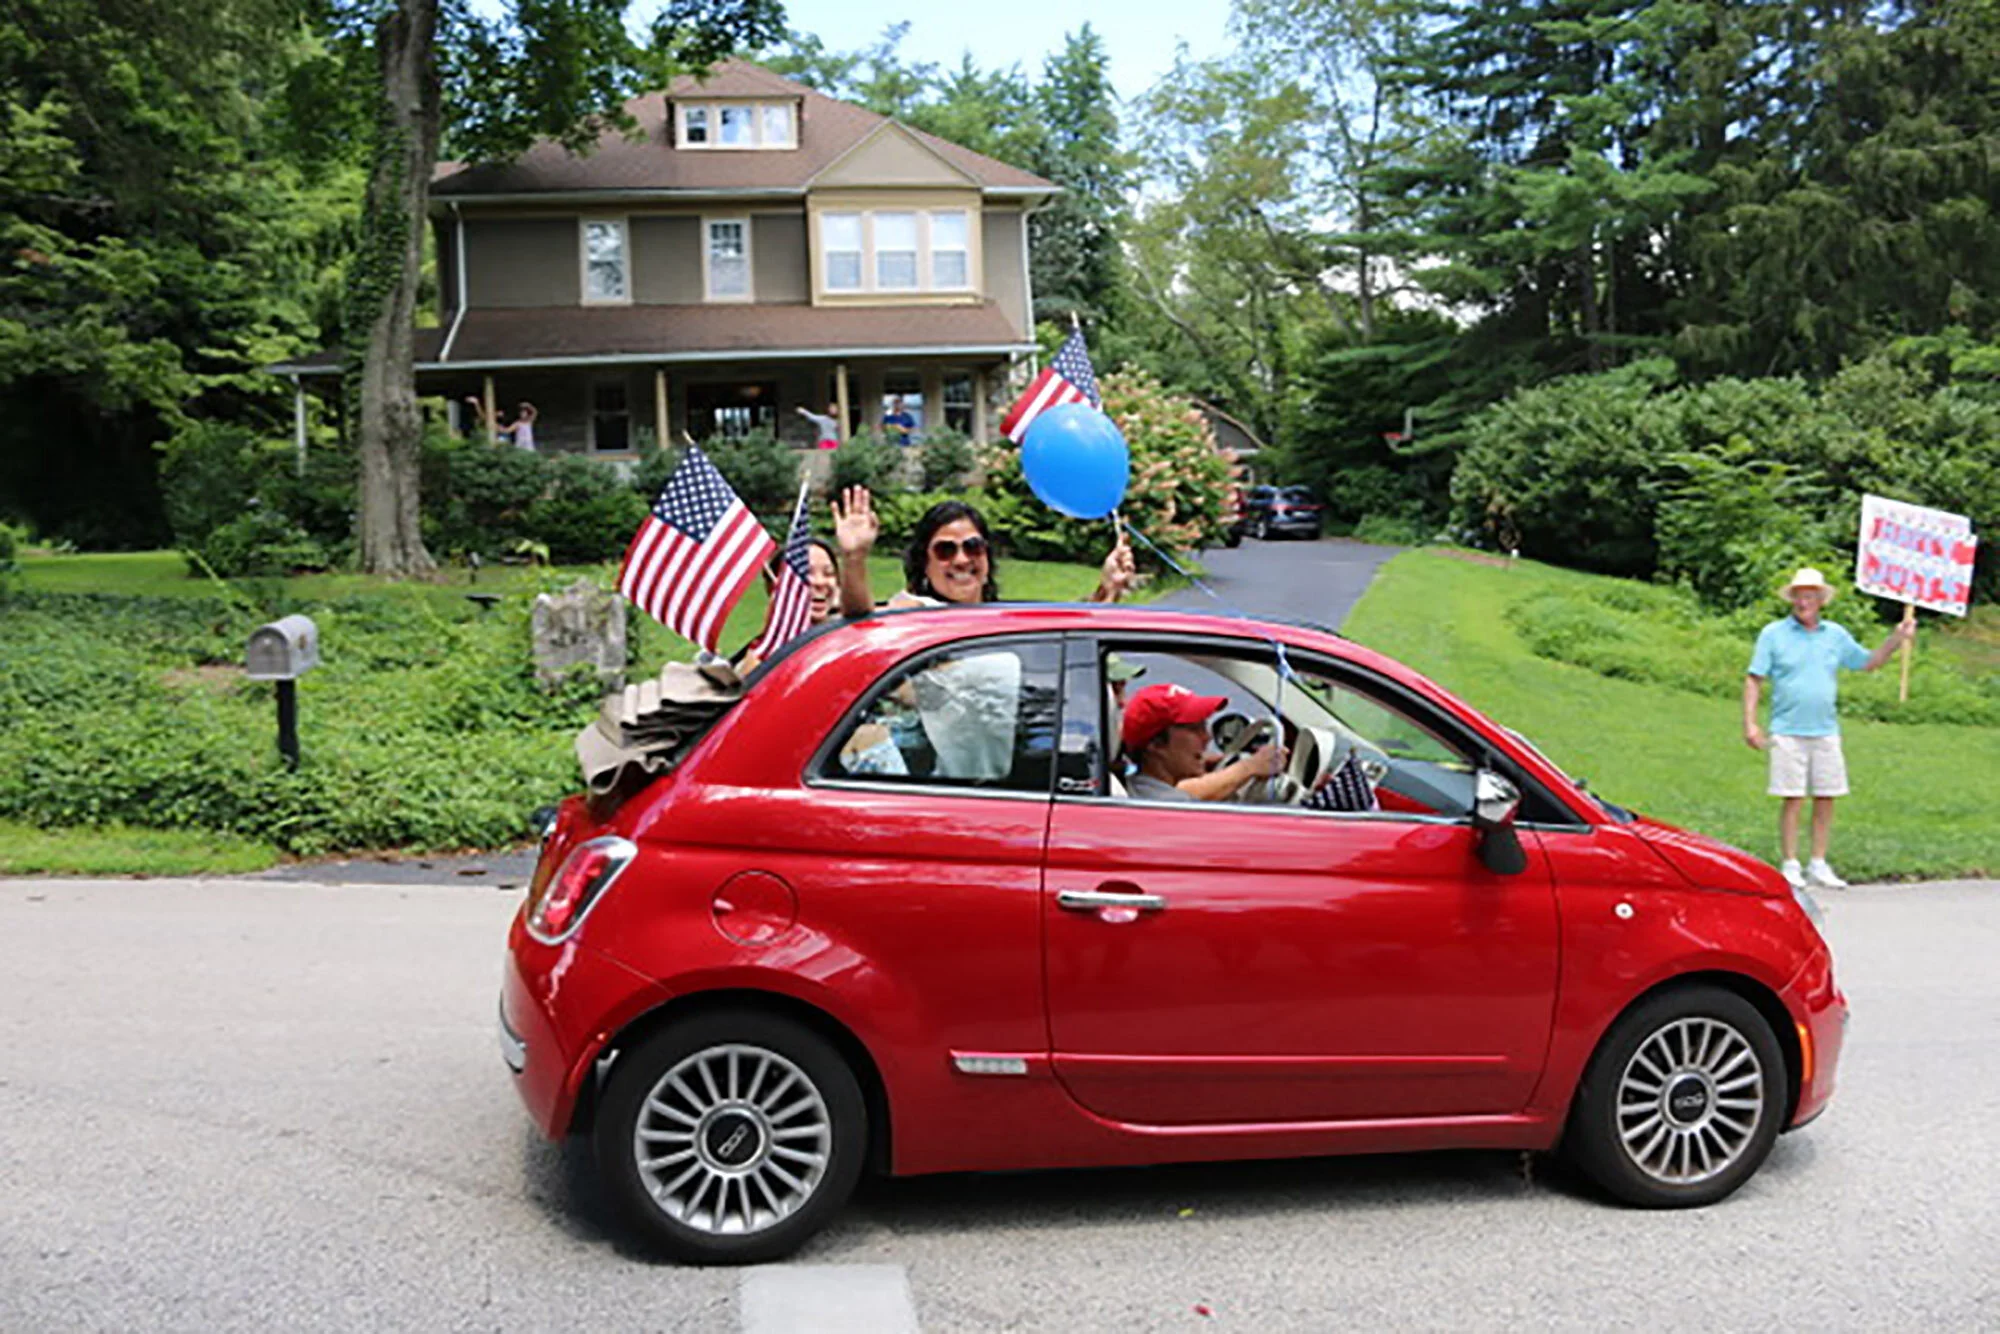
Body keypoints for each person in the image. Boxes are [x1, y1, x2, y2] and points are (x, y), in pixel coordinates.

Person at [1743, 567, 1913, 889]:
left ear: (1821, 600)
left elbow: (1868, 662)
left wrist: (1896, 639)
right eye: (1798, 596)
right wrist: (1750, 723)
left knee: (1826, 796)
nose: (1803, 602)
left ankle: (1818, 863)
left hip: (1825, 730)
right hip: (1787, 729)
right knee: (1793, 798)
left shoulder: (1835, 635)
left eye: (1810, 596)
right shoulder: (1773, 634)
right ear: (1791, 599)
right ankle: (1790, 863)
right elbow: (1754, 678)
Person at [830, 487, 1135, 617]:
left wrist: (1107, 587)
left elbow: (1067, 632)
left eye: (972, 546)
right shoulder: (916, 612)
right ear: (924, 562)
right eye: (945, 550)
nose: (962, 560)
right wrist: (854, 558)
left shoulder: (998, 619)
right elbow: (863, 622)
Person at [1120, 683, 1285, 803]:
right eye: (1195, 729)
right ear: (1156, 745)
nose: (1207, 737)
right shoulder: (1174, 808)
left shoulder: (1139, 790)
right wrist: (1250, 767)